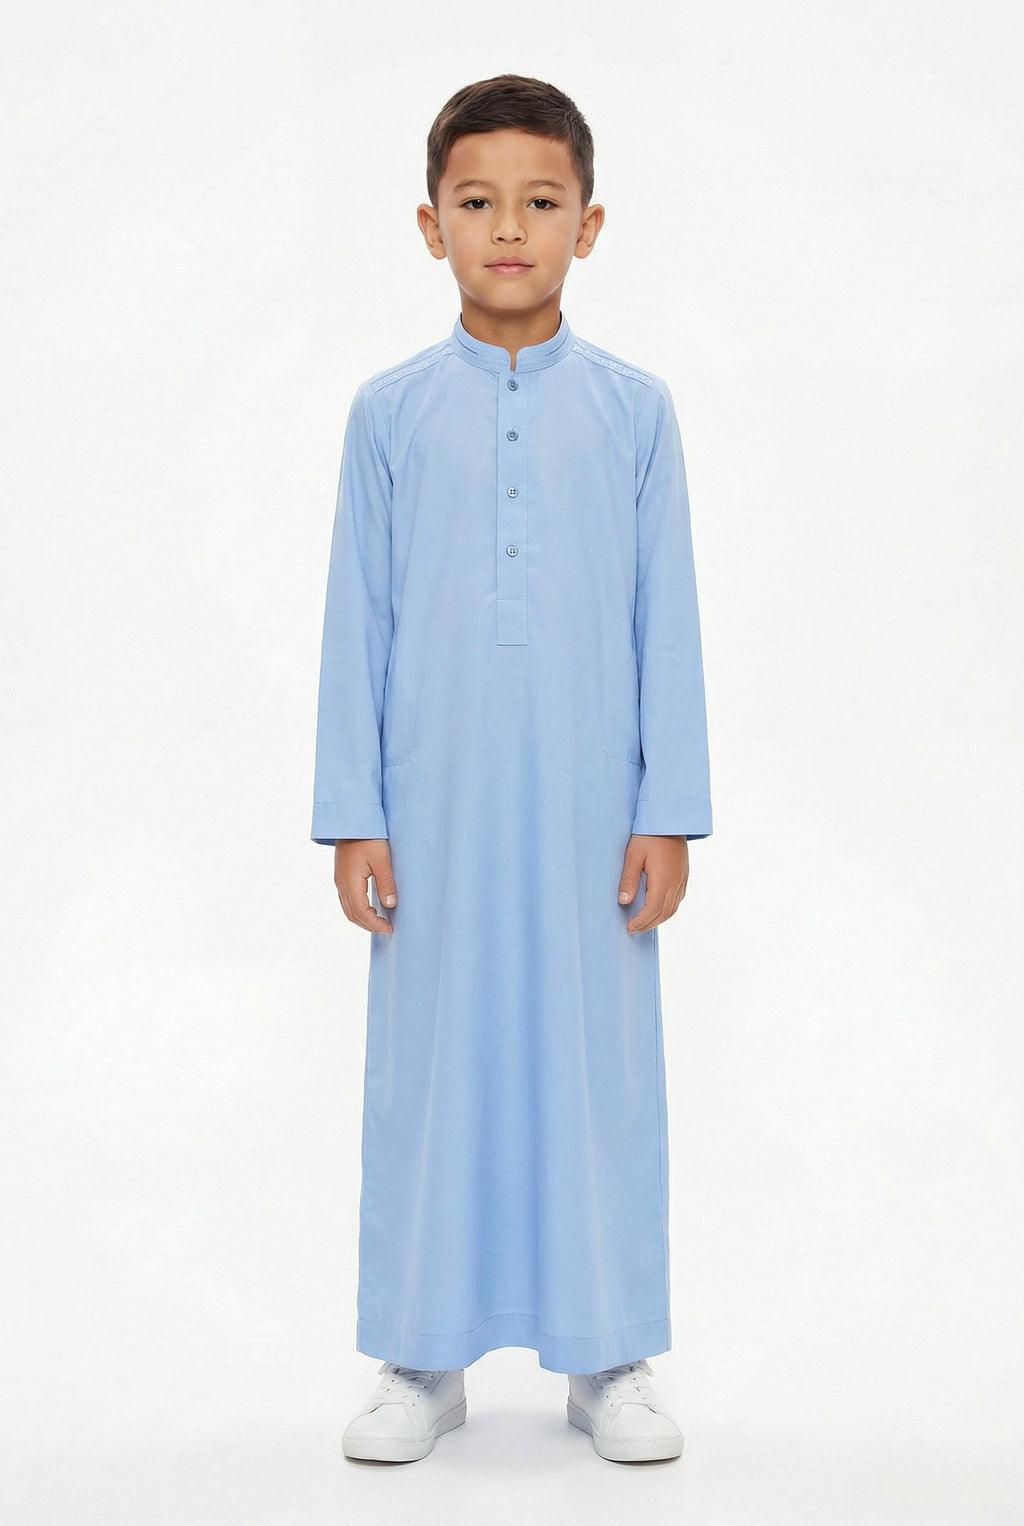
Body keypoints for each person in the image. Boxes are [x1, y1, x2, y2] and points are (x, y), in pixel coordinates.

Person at [311, 73, 713, 1465]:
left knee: (599, 1067)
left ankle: (612, 1352)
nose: (508, 230)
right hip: (431, 805)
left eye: (541, 203)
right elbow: (357, 619)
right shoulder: (388, 415)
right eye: (476, 202)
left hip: (595, 810)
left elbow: (668, 617)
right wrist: (353, 812)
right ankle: (419, 1353)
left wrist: (670, 808)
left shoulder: (636, 412)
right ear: (430, 225)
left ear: (587, 226)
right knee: (432, 1064)